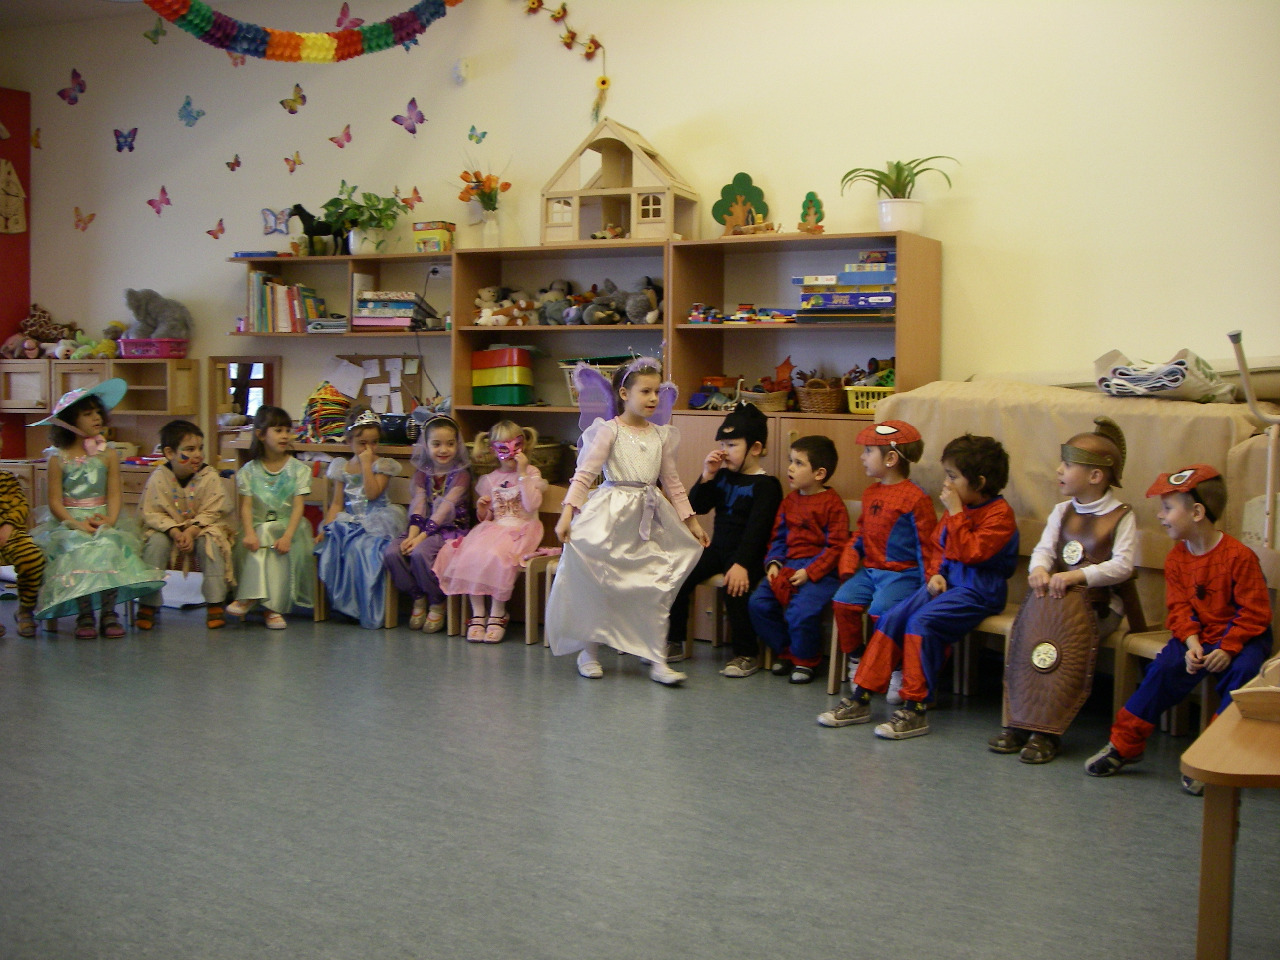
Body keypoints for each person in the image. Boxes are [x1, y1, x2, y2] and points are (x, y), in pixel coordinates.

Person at [1086, 464, 1272, 794]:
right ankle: (1124, 745)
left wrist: (1228, 648)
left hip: (1243, 636)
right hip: (1199, 635)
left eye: (1168, 508)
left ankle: (1215, 758)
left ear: (1197, 512)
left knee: (1242, 677)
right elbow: (1180, 609)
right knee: (1163, 670)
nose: (1160, 515)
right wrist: (1190, 642)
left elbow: (1255, 613)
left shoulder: (1239, 557)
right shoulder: (1176, 559)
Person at [837, 434, 1018, 739]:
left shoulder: (999, 515)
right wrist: (936, 573)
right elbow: (939, 546)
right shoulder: (958, 508)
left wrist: (956, 513)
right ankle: (861, 697)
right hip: (949, 584)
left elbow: (972, 552)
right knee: (893, 617)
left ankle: (916, 708)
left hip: (978, 591)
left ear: (980, 482)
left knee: (921, 623)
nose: (946, 484)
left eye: (953, 476)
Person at [989, 417, 1142, 763]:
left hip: (1098, 608)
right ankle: (1019, 721)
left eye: (1068, 465)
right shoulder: (1062, 511)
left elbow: (1123, 566)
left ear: (1095, 476)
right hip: (1056, 603)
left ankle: (1048, 732)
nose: (1059, 470)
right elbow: (1044, 549)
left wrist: (1078, 577)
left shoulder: (1121, 516)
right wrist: (1039, 569)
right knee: (1026, 636)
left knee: (1065, 647)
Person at [547, 357, 708, 684]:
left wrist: (691, 523)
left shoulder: (661, 435)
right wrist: (566, 514)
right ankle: (589, 652)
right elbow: (584, 475)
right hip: (610, 515)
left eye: (657, 392)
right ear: (624, 393)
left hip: (648, 517)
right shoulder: (609, 431)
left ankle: (657, 658)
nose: (653, 398)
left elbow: (673, 483)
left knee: (655, 583)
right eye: (645, 391)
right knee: (600, 582)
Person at [819, 420, 939, 725]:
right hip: (870, 571)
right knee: (843, 601)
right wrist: (848, 565)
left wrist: (928, 584)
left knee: (882, 612)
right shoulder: (871, 492)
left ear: (890, 459)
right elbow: (859, 535)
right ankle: (858, 657)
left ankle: (896, 667)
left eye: (868, 451)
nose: (862, 457)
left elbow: (927, 545)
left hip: (903, 574)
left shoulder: (916, 498)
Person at [28, 378, 165, 639]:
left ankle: (109, 613)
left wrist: (110, 520)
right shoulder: (57, 458)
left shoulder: (108, 454)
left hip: (103, 516)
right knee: (79, 550)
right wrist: (75, 524)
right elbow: (55, 501)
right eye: (87, 414)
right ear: (70, 421)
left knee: (108, 546)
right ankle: (85, 614)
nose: (96, 418)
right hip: (70, 521)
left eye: (98, 412)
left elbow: (114, 493)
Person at [665, 402, 783, 678]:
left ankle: (746, 653)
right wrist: (707, 475)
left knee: (736, 587)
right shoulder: (723, 477)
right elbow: (696, 506)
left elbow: (758, 531)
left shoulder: (767, 486)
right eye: (722, 444)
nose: (724, 451)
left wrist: (741, 564)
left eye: (732, 445)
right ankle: (674, 640)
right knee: (679, 573)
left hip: (748, 555)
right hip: (718, 549)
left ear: (755, 448)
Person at [747, 435, 850, 684]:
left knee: (801, 612)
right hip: (788, 567)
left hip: (820, 572)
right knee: (758, 603)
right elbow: (778, 538)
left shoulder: (833, 504)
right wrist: (774, 562)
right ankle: (786, 650)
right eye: (790, 461)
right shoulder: (789, 501)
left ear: (819, 473)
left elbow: (836, 547)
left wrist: (810, 572)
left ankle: (806, 659)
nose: (790, 468)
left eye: (799, 463)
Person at [433, 420, 545, 643]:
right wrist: (483, 509)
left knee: (497, 555)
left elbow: (532, 505)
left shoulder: (532, 473)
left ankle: (498, 612)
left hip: (522, 529)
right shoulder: (489, 479)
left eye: (516, 445)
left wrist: (522, 473)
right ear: (493, 450)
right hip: (494, 528)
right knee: (471, 553)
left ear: (523, 445)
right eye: (503, 447)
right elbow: (487, 517)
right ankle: (478, 613)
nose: (511, 452)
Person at [137, 419, 236, 630]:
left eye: (200, 448)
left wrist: (191, 531)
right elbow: (151, 512)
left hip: (203, 527)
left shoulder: (209, 476)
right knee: (155, 544)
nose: (198, 454)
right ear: (169, 453)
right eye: (190, 449)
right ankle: (148, 603)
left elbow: (214, 509)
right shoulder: (159, 477)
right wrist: (174, 531)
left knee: (212, 543)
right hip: (167, 529)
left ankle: (215, 603)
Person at [315, 407, 407, 629]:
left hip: (377, 522)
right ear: (349, 441)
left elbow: (372, 494)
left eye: (374, 443)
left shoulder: (382, 465)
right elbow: (337, 503)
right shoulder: (342, 467)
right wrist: (326, 528)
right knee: (333, 545)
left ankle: (365, 608)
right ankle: (346, 606)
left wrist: (366, 465)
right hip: (350, 521)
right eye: (362, 443)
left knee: (362, 549)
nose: (369, 448)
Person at [228, 405, 315, 629]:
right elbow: (246, 507)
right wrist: (248, 533)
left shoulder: (298, 470)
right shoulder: (249, 470)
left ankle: (249, 597)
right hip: (257, 527)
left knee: (270, 534)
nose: (285, 435)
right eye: (278, 430)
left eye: (287, 430)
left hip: (291, 529)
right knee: (262, 534)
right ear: (260, 435)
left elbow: (298, 508)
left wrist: (287, 537)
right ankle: (271, 609)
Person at [383, 414, 472, 632]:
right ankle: (418, 596)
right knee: (392, 552)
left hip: (449, 530)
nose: (443, 450)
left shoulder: (461, 475)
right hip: (422, 528)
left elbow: (444, 510)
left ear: (457, 445)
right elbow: (419, 505)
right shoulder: (422, 474)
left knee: (420, 553)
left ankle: (436, 600)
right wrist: (413, 535)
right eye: (436, 444)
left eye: (450, 444)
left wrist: (420, 538)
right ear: (426, 445)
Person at [0, 433, 44, 638]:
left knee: (32, 557)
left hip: (10, 534)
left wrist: (9, 524)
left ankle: (25, 609)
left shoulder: (7, 478)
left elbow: (21, 505)